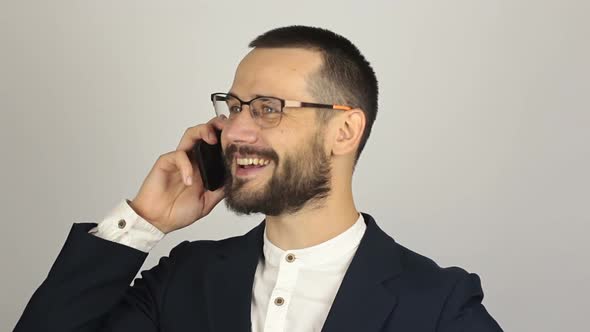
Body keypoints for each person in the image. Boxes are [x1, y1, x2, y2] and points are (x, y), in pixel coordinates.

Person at [14, 25, 503, 332]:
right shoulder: (186, 278)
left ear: (345, 130)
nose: (235, 131)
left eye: (268, 109)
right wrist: (144, 221)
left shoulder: (438, 303)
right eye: (233, 107)